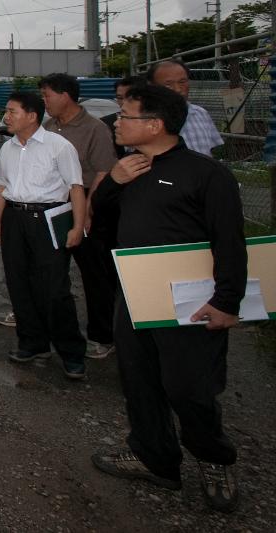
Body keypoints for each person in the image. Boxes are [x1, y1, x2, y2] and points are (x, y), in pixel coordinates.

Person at [89, 84, 245, 513]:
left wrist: (227, 303)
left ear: (155, 125)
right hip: (136, 293)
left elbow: (230, 243)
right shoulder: (129, 169)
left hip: (191, 300)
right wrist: (111, 186)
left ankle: (214, 459)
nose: (117, 122)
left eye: (126, 115)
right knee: (138, 381)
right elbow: (99, 229)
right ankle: (154, 457)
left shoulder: (206, 175)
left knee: (189, 387)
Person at [0, 91, 88, 380]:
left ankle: (71, 352)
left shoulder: (59, 146)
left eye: (12, 111)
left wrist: (77, 227)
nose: (7, 116)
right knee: (19, 283)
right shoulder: (7, 148)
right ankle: (32, 343)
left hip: (48, 218)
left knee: (54, 288)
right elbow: (1, 188)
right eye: (6, 111)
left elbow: (76, 188)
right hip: (15, 219)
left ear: (32, 116)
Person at [39, 73, 119, 360]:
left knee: (94, 273)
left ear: (65, 95)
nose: (44, 101)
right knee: (51, 268)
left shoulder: (94, 129)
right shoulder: (49, 126)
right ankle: (49, 325)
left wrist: (87, 210)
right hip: (54, 202)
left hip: (85, 200)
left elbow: (103, 171)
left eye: (47, 96)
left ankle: (103, 335)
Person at [149, 59, 223, 156]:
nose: (178, 89)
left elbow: (211, 150)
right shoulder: (142, 119)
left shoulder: (200, 113)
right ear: (152, 87)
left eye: (182, 82)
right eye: (168, 84)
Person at [100, 75, 141, 159]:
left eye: (130, 98)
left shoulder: (153, 122)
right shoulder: (104, 124)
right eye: (120, 98)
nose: (124, 102)